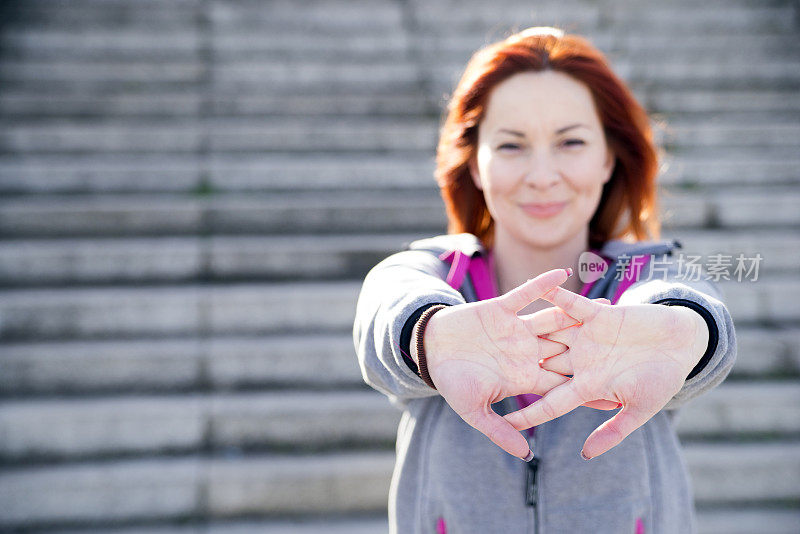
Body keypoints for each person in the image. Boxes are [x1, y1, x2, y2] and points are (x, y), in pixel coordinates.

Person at [353, 27, 736, 534]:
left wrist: (689, 330)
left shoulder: (647, 275)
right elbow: (387, 301)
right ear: (474, 162)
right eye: (512, 145)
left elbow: (688, 303)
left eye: (570, 142)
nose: (542, 174)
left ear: (608, 157)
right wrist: (426, 335)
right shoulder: (432, 276)